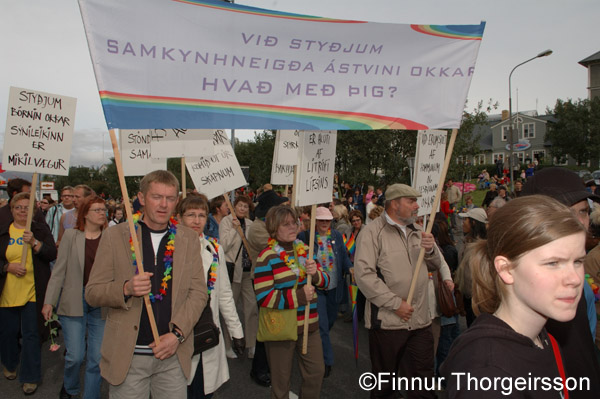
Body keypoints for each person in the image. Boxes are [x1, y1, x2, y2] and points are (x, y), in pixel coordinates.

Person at [441, 195, 587, 398]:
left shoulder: (542, 338)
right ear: (506, 269)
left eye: (578, 261)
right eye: (553, 263)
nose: (574, 279)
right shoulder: (487, 376)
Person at [85, 170, 208, 399]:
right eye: (156, 197)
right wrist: (125, 289)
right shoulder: (115, 236)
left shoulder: (188, 238)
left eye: (170, 198)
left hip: (173, 354)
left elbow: (198, 293)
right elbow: (92, 293)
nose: (163, 205)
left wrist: (178, 335)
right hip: (128, 356)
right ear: (141, 198)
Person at [354, 184, 444, 399]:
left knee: (422, 381)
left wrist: (430, 250)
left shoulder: (418, 231)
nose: (417, 206)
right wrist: (396, 304)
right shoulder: (371, 232)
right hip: (388, 322)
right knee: (386, 384)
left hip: (420, 319)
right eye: (411, 201)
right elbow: (364, 276)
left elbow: (435, 264)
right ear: (394, 204)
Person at [522, 167, 600, 396]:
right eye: (566, 212)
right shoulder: (525, 284)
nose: (578, 222)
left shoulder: (576, 276)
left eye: (583, 212)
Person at [254, 205, 329, 398]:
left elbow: (326, 282)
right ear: (273, 228)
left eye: (294, 222)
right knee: (281, 385)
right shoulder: (266, 257)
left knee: (316, 373)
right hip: (281, 330)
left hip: (309, 326)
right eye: (285, 224)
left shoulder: (305, 251)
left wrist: (317, 275)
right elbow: (264, 297)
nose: (292, 227)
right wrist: (299, 297)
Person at [176, 194, 245, 399]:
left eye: (201, 215)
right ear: (179, 218)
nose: (196, 221)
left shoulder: (214, 249)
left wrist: (236, 331)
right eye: (190, 215)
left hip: (206, 332)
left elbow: (224, 294)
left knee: (203, 391)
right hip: (177, 336)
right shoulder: (169, 249)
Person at [42, 196, 108, 399]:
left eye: (104, 210)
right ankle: (70, 387)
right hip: (74, 299)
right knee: (75, 356)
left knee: (96, 358)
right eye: (97, 210)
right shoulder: (71, 236)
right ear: (85, 213)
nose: (102, 213)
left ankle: (91, 395)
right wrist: (49, 301)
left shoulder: (111, 237)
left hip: (100, 301)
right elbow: (59, 271)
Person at [0, 192, 57, 395]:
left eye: (27, 207)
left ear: (33, 211)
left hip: (33, 292)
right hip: (8, 292)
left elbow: (52, 253)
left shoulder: (39, 229)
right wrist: (7, 267)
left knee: (32, 335)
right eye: (18, 207)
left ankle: (30, 377)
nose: (22, 211)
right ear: (12, 210)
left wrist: (35, 243)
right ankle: (10, 362)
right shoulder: (3, 231)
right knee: (7, 333)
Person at [298, 207, 352, 378]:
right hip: (316, 289)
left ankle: (318, 345)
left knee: (329, 322)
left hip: (335, 287)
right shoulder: (305, 236)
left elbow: (343, 256)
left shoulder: (336, 236)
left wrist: (350, 268)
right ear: (314, 221)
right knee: (322, 325)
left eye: (327, 221)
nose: (324, 224)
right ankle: (326, 361)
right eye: (321, 220)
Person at [245, 190, 289, 388]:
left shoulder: (267, 225)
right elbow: (277, 247)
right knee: (267, 324)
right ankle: (259, 369)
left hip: (278, 279)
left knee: (276, 324)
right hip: (263, 280)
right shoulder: (257, 228)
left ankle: (269, 365)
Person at [219, 195, 256, 358]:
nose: (242, 209)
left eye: (245, 206)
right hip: (233, 272)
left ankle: (251, 344)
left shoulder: (251, 224)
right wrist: (235, 230)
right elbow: (223, 246)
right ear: (234, 207)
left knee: (252, 308)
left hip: (248, 272)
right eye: (240, 206)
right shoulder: (226, 222)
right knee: (230, 310)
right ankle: (228, 345)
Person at [455, 207, 488, 327]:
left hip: (479, 299)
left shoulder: (482, 246)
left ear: (474, 222)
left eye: (466, 220)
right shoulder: (467, 242)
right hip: (468, 296)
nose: (463, 223)